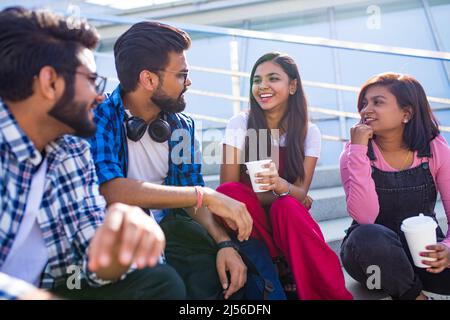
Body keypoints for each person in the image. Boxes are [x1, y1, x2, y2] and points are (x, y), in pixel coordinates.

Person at [0, 7, 185, 300]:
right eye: (91, 80)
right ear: (50, 83)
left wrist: (118, 250)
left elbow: (86, 266)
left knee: (159, 281)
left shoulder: (72, 152)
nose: (99, 95)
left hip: (57, 288)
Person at [88, 21, 258, 300]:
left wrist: (224, 243)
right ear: (149, 80)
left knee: (229, 283)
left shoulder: (182, 125)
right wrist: (203, 195)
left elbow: (193, 196)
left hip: (173, 229)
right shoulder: (101, 116)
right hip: (118, 235)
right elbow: (111, 189)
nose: (188, 82)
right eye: (181, 75)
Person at [217, 52, 352, 300]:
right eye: (256, 80)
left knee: (287, 206)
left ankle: (320, 290)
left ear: (292, 86)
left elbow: (300, 193)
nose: (262, 86)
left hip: (286, 216)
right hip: (251, 216)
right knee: (229, 194)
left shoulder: (308, 132)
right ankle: (275, 265)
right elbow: (227, 187)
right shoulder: (242, 123)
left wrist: (280, 185)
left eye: (273, 78)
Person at [340, 72, 450, 300]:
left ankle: (419, 282)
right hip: (371, 260)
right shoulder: (354, 152)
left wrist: (448, 248)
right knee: (367, 236)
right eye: (363, 104)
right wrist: (358, 151)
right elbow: (365, 217)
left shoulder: (435, 148)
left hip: (421, 251)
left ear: (406, 113)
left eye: (377, 102)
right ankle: (414, 296)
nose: (365, 110)